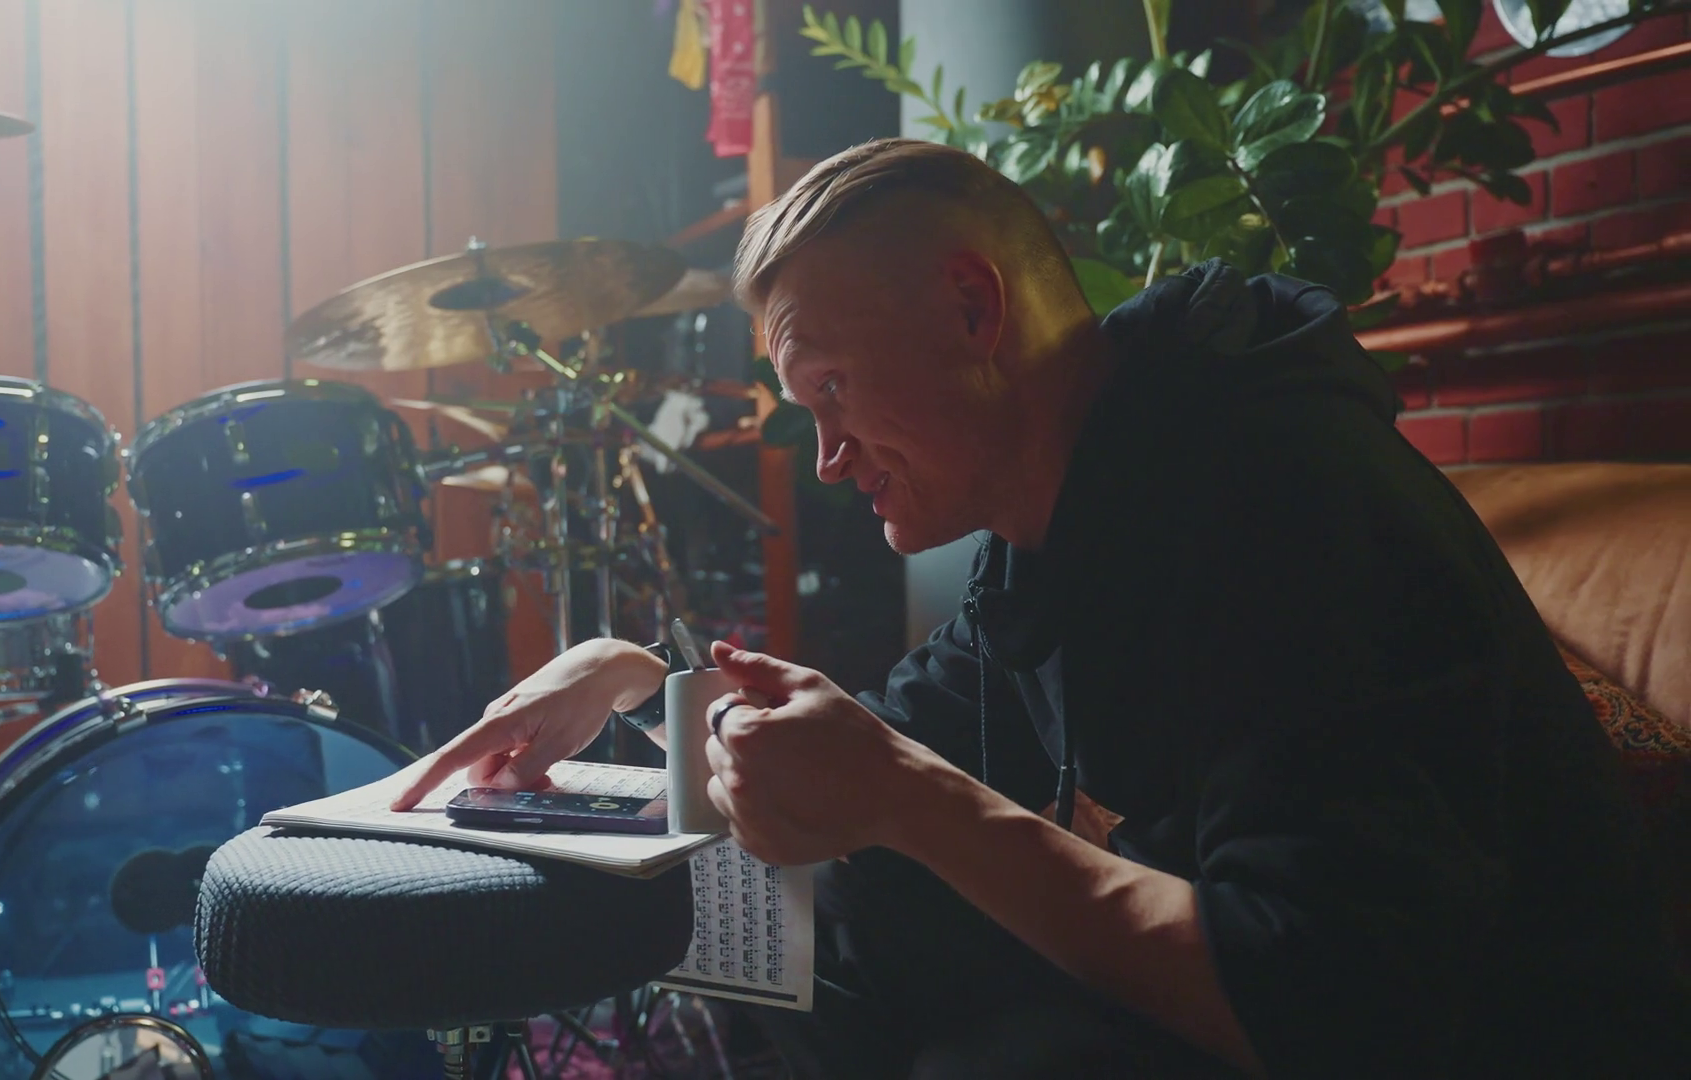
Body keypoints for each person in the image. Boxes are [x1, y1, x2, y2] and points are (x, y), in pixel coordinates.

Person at [388, 138, 1688, 1078]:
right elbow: (893, 740)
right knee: (834, 935)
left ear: (972, 308)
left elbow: (1326, 1001)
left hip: (1515, 1038)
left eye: (831, 390)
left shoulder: (1286, 501)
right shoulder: (1061, 525)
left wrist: (908, 799)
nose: (826, 459)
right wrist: (640, 676)